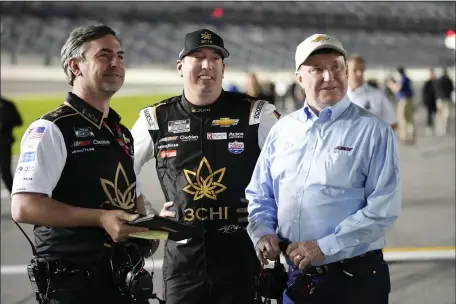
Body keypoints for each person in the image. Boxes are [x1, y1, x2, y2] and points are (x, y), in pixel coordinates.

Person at [246, 34, 401, 304]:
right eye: (317, 69)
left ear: (346, 71)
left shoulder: (373, 131)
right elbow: (261, 193)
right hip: (297, 276)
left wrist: (322, 246)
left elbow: (383, 209)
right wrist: (263, 231)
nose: (329, 76)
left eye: (336, 67)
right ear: (300, 78)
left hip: (354, 279)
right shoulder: (283, 129)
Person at [11, 24, 158, 304]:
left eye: (120, 55)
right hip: (74, 287)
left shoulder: (120, 132)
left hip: (121, 281)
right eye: (104, 55)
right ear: (75, 66)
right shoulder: (51, 129)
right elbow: (23, 207)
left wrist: (152, 221)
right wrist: (100, 218)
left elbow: (132, 198)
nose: (116, 62)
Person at [131, 28, 280, 304]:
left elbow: (290, 170)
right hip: (183, 267)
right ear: (180, 67)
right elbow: (121, 167)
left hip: (241, 260)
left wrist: (268, 218)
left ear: (223, 69)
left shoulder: (257, 114)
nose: (207, 65)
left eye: (215, 58)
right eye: (198, 56)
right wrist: (147, 214)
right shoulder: (155, 118)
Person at [347, 55, 397, 129]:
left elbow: (392, 122)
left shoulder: (377, 95)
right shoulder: (335, 96)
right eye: (355, 70)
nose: (359, 74)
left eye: (362, 70)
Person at [387, 66, 415, 144]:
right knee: (409, 118)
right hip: (409, 100)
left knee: (402, 118)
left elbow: (397, 89)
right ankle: (411, 136)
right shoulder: (406, 79)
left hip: (404, 101)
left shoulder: (403, 79)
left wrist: (391, 84)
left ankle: (405, 136)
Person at [0, 96, 23, 194]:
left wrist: (4, 124)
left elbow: (19, 121)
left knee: (6, 173)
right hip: (5, 142)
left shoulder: (7, 105)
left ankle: (15, 198)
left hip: (4, 143)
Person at [434, 67, 454, 136]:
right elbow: (452, 89)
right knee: (446, 115)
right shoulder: (449, 80)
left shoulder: (438, 80)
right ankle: (445, 129)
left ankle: (440, 129)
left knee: (440, 115)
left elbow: (435, 90)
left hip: (439, 100)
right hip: (447, 99)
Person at [422, 69, 438, 136]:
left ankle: (436, 128)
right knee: (429, 115)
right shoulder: (427, 83)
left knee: (436, 115)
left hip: (435, 101)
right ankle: (429, 128)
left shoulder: (436, 82)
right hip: (429, 102)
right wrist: (425, 101)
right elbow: (424, 93)